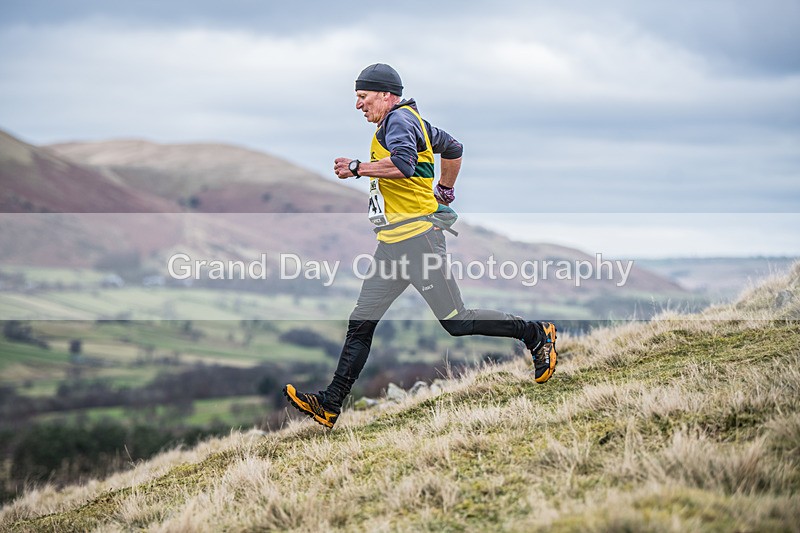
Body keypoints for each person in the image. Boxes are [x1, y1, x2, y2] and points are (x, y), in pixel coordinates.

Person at [283, 63, 557, 429]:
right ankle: (330, 404)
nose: (358, 104)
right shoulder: (412, 122)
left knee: (456, 321)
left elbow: (404, 165)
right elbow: (454, 147)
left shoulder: (398, 121)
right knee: (361, 323)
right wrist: (445, 189)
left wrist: (357, 167)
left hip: (418, 242)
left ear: (386, 95)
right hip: (392, 245)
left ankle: (536, 333)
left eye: (363, 97)